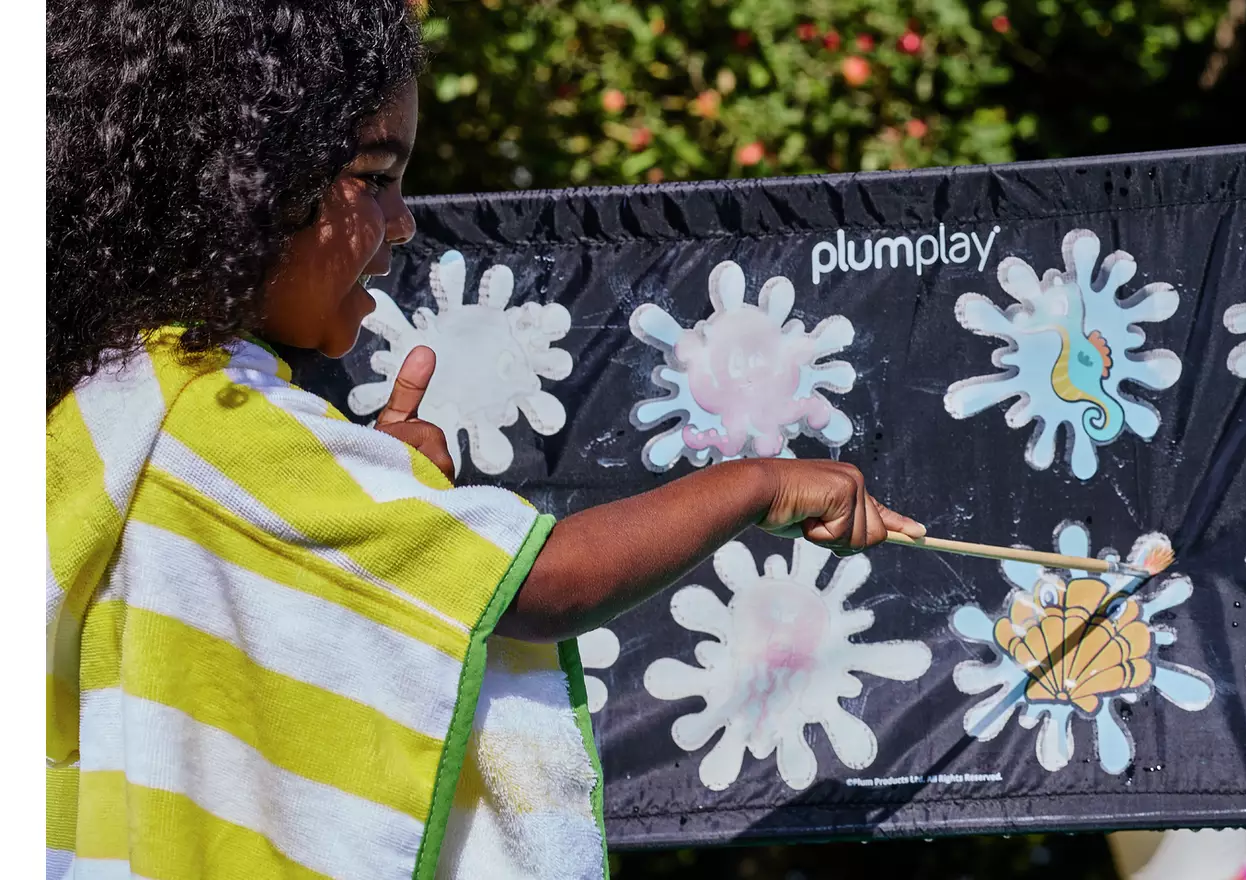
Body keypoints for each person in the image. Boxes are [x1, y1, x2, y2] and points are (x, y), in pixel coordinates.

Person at [45, 2, 923, 878]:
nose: (402, 222)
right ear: (241, 176)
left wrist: (383, 492)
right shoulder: (214, 426)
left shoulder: (106, 413)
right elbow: (544, 587)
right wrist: (757, 486)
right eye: (376, 175)